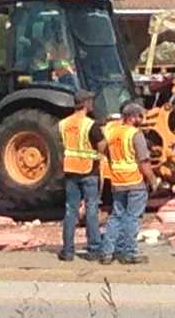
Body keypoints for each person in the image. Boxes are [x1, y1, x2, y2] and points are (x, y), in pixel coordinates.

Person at [98, 102, 157, 265]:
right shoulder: (135, 134)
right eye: (140, 116)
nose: (142, 120)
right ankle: (129, 253)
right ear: (132, 117)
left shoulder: (112, 132)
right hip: (134, 181)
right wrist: (152, 180)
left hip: (117, 180)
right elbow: (144, 161)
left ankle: (107, 252)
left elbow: (103, 149)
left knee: (116, 216)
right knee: (132, 218)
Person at [58, 89, 104, 262]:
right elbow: (101, 144)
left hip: (71, 170)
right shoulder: (90, 124)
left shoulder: (63, 124)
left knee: (71, 210)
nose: (92, 104)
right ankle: (94, 249)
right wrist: (101, 153)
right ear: (85, 103)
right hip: (88, 170)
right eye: (90, 101)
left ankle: (68, 251)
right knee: (91, 209)